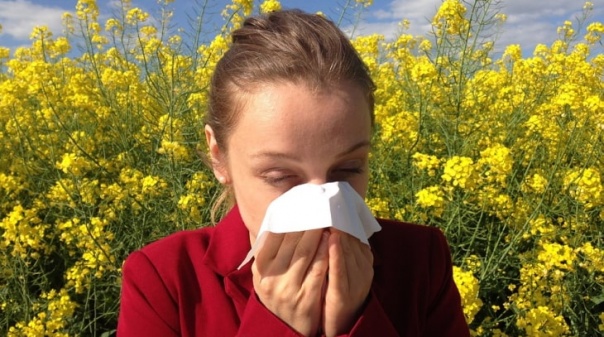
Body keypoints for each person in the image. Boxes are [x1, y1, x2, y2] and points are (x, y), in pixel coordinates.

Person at [117, 9, 470, 337]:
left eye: (348, 169)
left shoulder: (420, 260)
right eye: (280, 176)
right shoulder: (165, 280)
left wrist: (356, 320)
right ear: (218, 157)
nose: (323, 208)